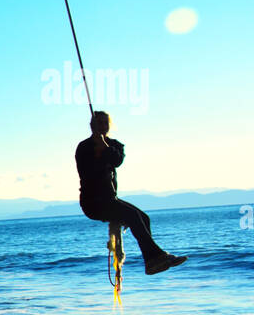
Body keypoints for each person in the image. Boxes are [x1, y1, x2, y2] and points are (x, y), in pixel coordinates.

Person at [75, 111, 186, 275]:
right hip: (93, 202)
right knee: (133, 216)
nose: (102, 126)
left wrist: (104, 147)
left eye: (105, 123)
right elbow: (87, 172)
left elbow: (117, 161)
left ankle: (152, 261)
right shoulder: (84, 147)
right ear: (92, 126)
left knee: (144, 218)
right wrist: (97, 152)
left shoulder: (114, 145)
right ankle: (157, 257)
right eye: (99, 123)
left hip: (110, 199)